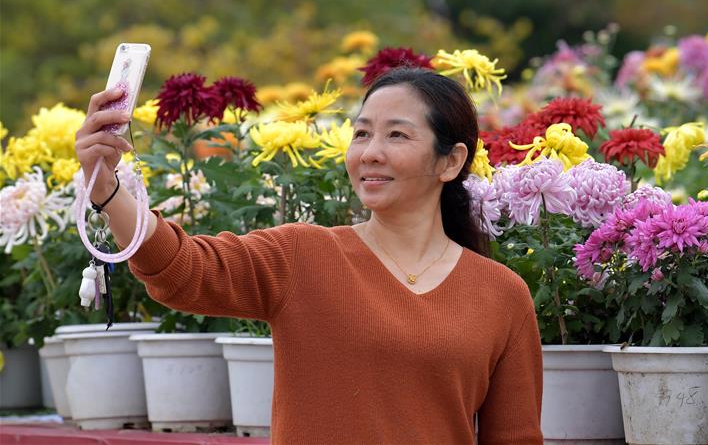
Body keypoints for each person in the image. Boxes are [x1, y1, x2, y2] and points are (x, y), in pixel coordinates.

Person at [75, 67, 544, 444]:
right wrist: (108, 191)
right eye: (362, 135)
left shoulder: (501, 296)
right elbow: (183, 269)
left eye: (397, 136)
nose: (371, 153)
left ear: (451, 161)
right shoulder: (302, 256)